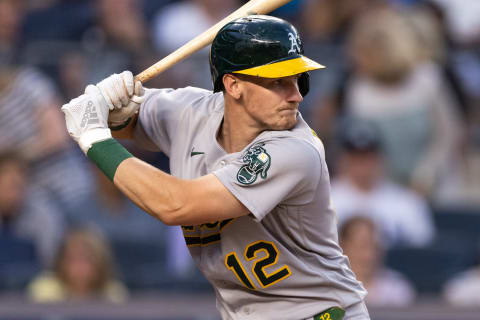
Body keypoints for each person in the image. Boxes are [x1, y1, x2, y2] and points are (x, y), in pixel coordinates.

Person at [61, 15, 369, 320]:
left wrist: (94, 138)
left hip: (319, 313)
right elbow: (122, 119)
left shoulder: (295, 151)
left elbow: (175, 205)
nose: (296, 95)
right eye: (278, 82)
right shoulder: (190, 112)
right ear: (233, 85)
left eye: (298, 79)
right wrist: (109, 106)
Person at [330, 120, 435, 248]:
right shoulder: (324, 199)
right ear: (342, 160)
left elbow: (423, 252)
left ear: (381, 158)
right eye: (356, 157)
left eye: (368, 156)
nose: (362, 164)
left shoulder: (408, 202)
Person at [27, 227, 128, 303]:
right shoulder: (44, 289)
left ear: (100, 262)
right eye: (73, 258)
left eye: (87, 259)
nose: (80, 266)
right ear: (61, 261)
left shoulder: (114, 292)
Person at [339, 216, 416, 307]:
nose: (369, 256)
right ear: (343, 247)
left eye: (375, 247)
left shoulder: (398, 288)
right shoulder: (327, 288)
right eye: (362, 247)